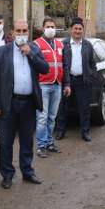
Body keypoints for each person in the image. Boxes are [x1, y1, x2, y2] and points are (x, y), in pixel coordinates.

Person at [0, 19, 50, 189]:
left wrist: (30, 53)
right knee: (6, 142)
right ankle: (7, 174)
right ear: (13, 33)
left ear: (28, 32)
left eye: (24, 31)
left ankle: (27, 171)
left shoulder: (34, 49)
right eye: (18, 31)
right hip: (8, 103)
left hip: (28, 103)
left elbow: (45, 69)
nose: (22, 34)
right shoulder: (2, 52)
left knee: (27, 141)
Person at [57, 17, 97, 142]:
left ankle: (85, 132)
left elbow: (93, 63)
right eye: (76, 28)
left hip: (83, 81)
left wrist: (91, 75)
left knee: (84, 108)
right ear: (71, 29)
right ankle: (61, 131)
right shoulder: (63, 44)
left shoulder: (87, 45)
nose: (78, 31)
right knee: (62, 107)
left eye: (80, 29)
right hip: (67, 81)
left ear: (82, 30)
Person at [34, 17, 63, 158]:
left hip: (57, 84)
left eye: (53, 26)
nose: (51, 29)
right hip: (43, 85)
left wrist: (66, 83)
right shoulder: (36, 44)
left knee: (52, 117)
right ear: (43, 28)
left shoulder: (59, 45)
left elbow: (64, 64)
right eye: (48, 26)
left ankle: (49, 142)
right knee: (42, 117)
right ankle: (41, 145)